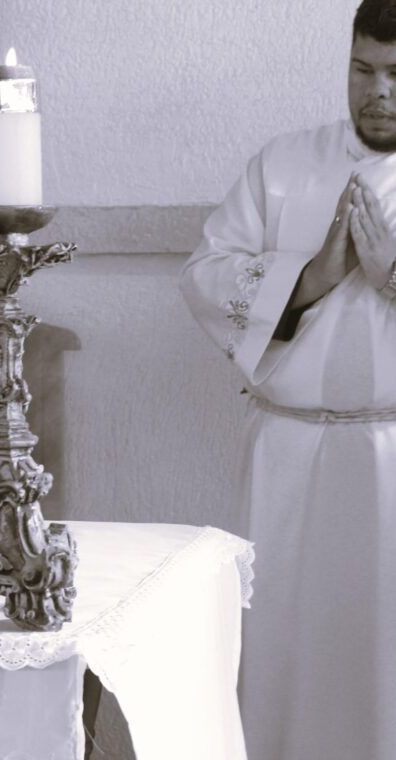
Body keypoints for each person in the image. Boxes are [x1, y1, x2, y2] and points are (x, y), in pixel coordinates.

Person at [180, 2, 396, 757]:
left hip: (391, 464)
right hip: (289, 458)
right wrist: (308, 278)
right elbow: (205, 275)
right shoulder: (284, 165)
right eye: (364, 69)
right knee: (281, 656)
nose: (380, 92)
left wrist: (391, 276)